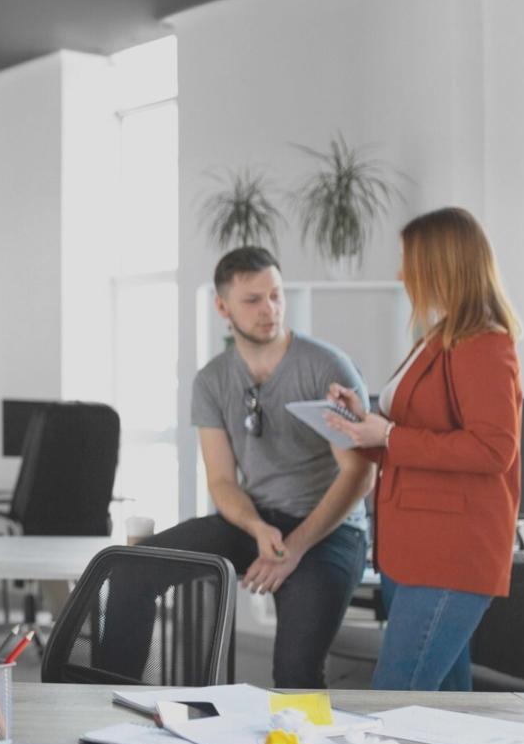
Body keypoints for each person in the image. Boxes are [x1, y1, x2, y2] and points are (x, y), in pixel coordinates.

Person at [98, 247, 376, 688]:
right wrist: (256, 528)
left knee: (295, 673)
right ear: (222, 307)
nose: (270, 310)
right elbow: (223, 481)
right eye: (253, 300)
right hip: (259, 519)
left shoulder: (326, 366)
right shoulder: (212, 381)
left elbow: (360, 475)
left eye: (276, 295)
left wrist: (295, 547)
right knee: (131, 570)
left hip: (330, 531)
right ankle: (105, 707)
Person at [325, 206, 522, 691]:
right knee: (448, 709)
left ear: (441, 264)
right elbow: (418, 432)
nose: (401, 273)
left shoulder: (484, 344)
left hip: (449, 554)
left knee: (394, 699)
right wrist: (366, 422)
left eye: (407, 260)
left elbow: (493, 449)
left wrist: (388, 435)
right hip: (412, 547)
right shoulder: (441, 337)